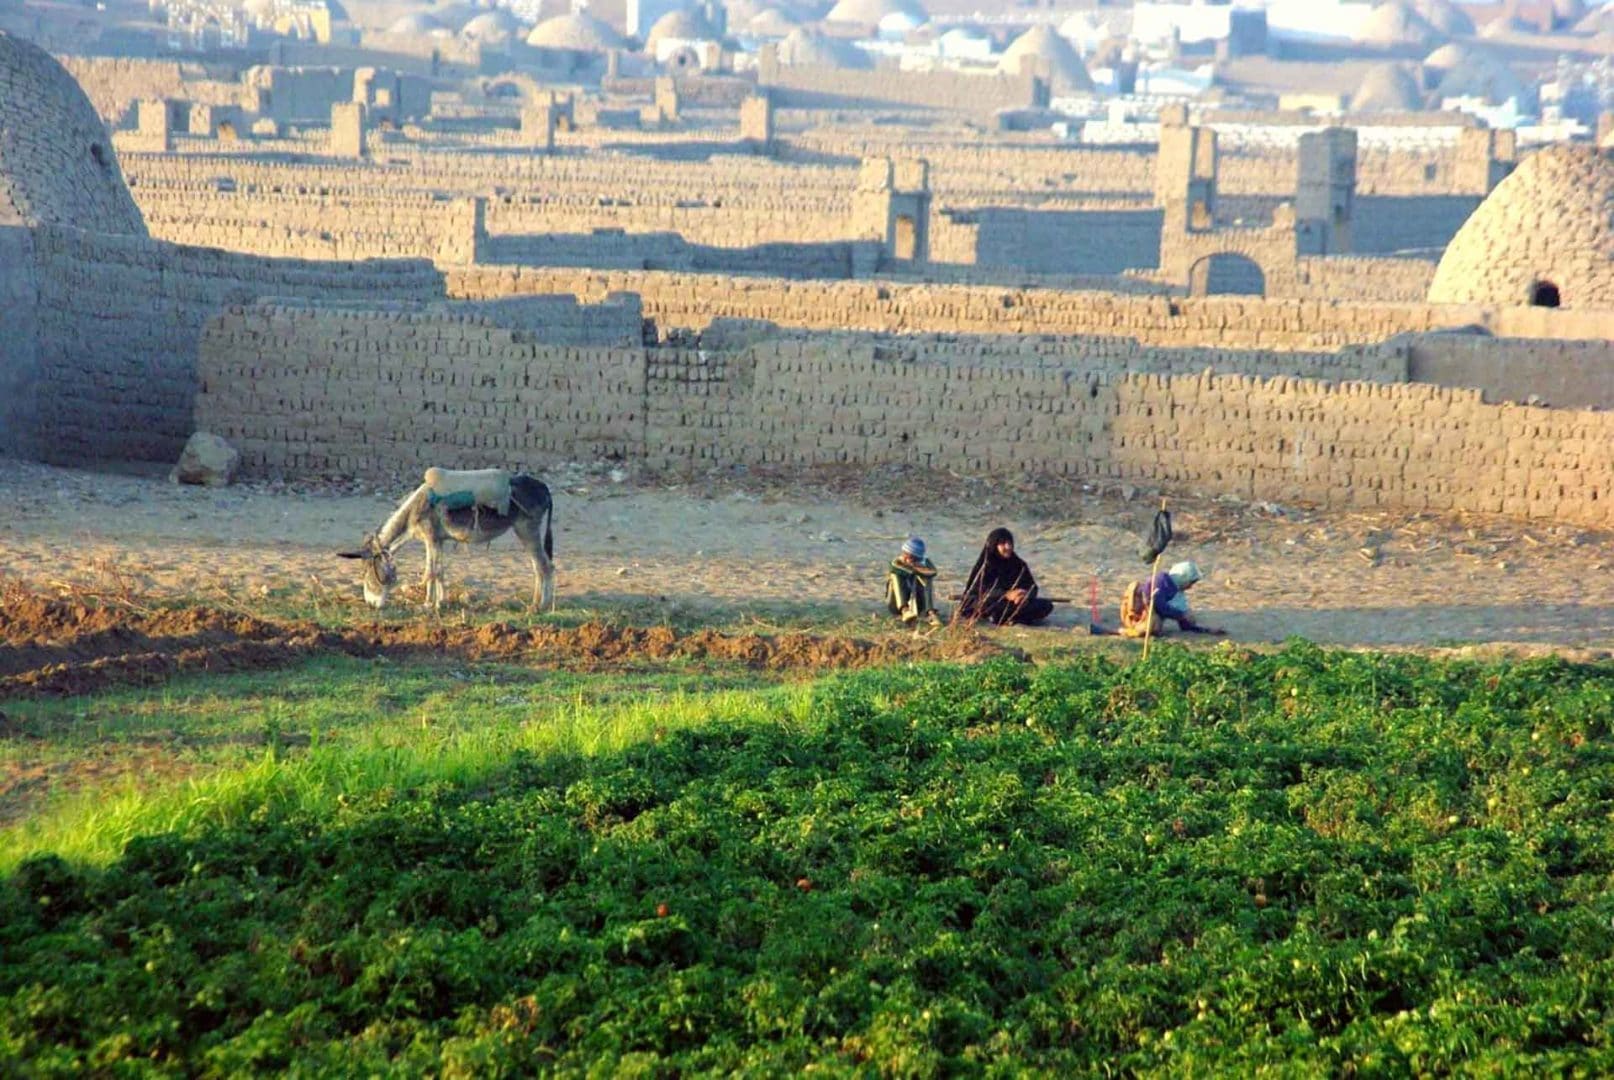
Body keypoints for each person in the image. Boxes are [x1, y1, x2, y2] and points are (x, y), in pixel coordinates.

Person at [958, 527, 1055, 626]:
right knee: (993, 607)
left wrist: (1025, 595)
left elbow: (1032, 587)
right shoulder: (985, 565)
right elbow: (980, 591)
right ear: (994, 545)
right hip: (988, 602)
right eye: (1003, 544)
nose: (1008, 547)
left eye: (1010, 543)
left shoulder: (1018, 564)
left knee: (1046, 605)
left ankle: (1011, 618)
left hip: (1014, 604)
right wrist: (1006, 594)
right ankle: (1007, 617)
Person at [1119, 560, 1224, 638]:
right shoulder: (1161, 580)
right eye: (1190, 582)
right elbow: (1159, 605)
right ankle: (1129, 631)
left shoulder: (1178, 593)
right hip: (1137, 615)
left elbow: (1185, 624)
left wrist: (1207, 630)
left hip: (1149, 617)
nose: (1190, 587)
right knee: (1154, 625)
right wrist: (1181, 614)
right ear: (1184, 577)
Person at [886, 537, 941, 624]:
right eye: (906, 555)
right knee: (895, 576)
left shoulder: (925, 562)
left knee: (927, 579)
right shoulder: (897, 562)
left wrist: (918, 568)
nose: (908, 560)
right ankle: (904, 610)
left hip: (918, 603)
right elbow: (895, 567)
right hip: (897, 603)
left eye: (912, 558)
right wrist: (914, 569)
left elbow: (932, 572)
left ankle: (931, 612)